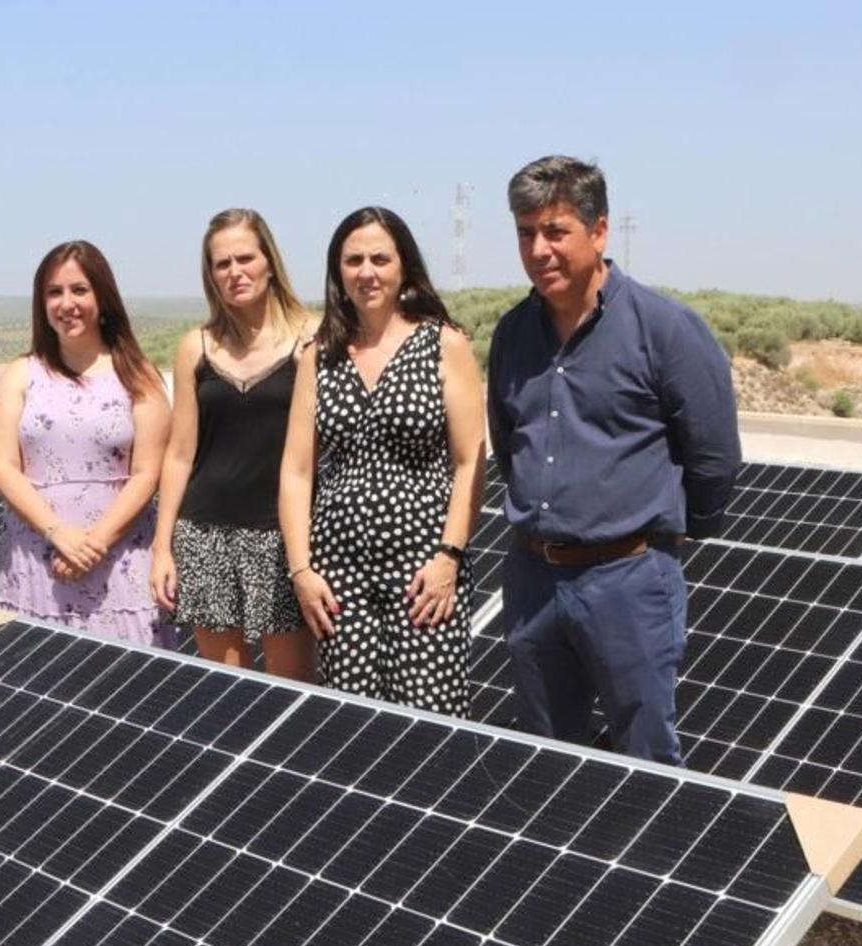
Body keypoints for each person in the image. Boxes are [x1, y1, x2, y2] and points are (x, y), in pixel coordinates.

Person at [487, 156, 741, 766]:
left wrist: (666, 542)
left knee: (647, 759)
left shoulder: (666, 328)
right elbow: (508, 440)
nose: (539, 249)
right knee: (548, 757)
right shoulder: (512, 334)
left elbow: (714, 457)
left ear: (599, 231)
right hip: (531, 581)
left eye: (555, 231)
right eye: (526, 233)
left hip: (626, 581)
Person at [279, 207, 486, 716]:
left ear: (403, 267)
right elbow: (296, 471)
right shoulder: (319, 354)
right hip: (337, 577)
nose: (366, 272)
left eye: (379, 258)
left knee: (431, 718)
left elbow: (469, 462)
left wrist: (449, 558)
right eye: (353, 260)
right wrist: (301, 569)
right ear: (338, 270)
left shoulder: (444, 344)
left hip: (424, 571)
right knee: (352, 727)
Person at [150, 209, 316, 680]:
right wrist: (163, 547)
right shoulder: (195, 348)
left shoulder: (314, 339)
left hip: (284, 538)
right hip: (204, 534)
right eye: (221, 264)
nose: (234, 272)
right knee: (226, 692)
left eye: (245, 258)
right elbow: (181, 453)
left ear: (269, 262)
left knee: (293, 690)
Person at [0, 240, 176, 647]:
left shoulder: (138, 376)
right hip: (36, 561)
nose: (66, 303)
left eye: (79, 290)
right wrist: (58, 533)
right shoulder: (21, 374)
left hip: (119, 561)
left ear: (103, 297)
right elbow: (4, 467)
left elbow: (147, 473)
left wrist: (93, 544)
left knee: (129, 691)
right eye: (54, 293)